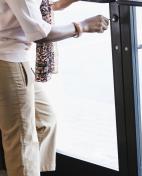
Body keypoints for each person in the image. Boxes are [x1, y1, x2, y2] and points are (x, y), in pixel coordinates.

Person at [0, 0, 109, 175]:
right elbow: (40, 33)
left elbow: (46, 5)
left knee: (45, 121)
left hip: (13, 59)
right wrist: (82, 26)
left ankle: (27, 169)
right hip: (9, 61)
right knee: (21, 142)